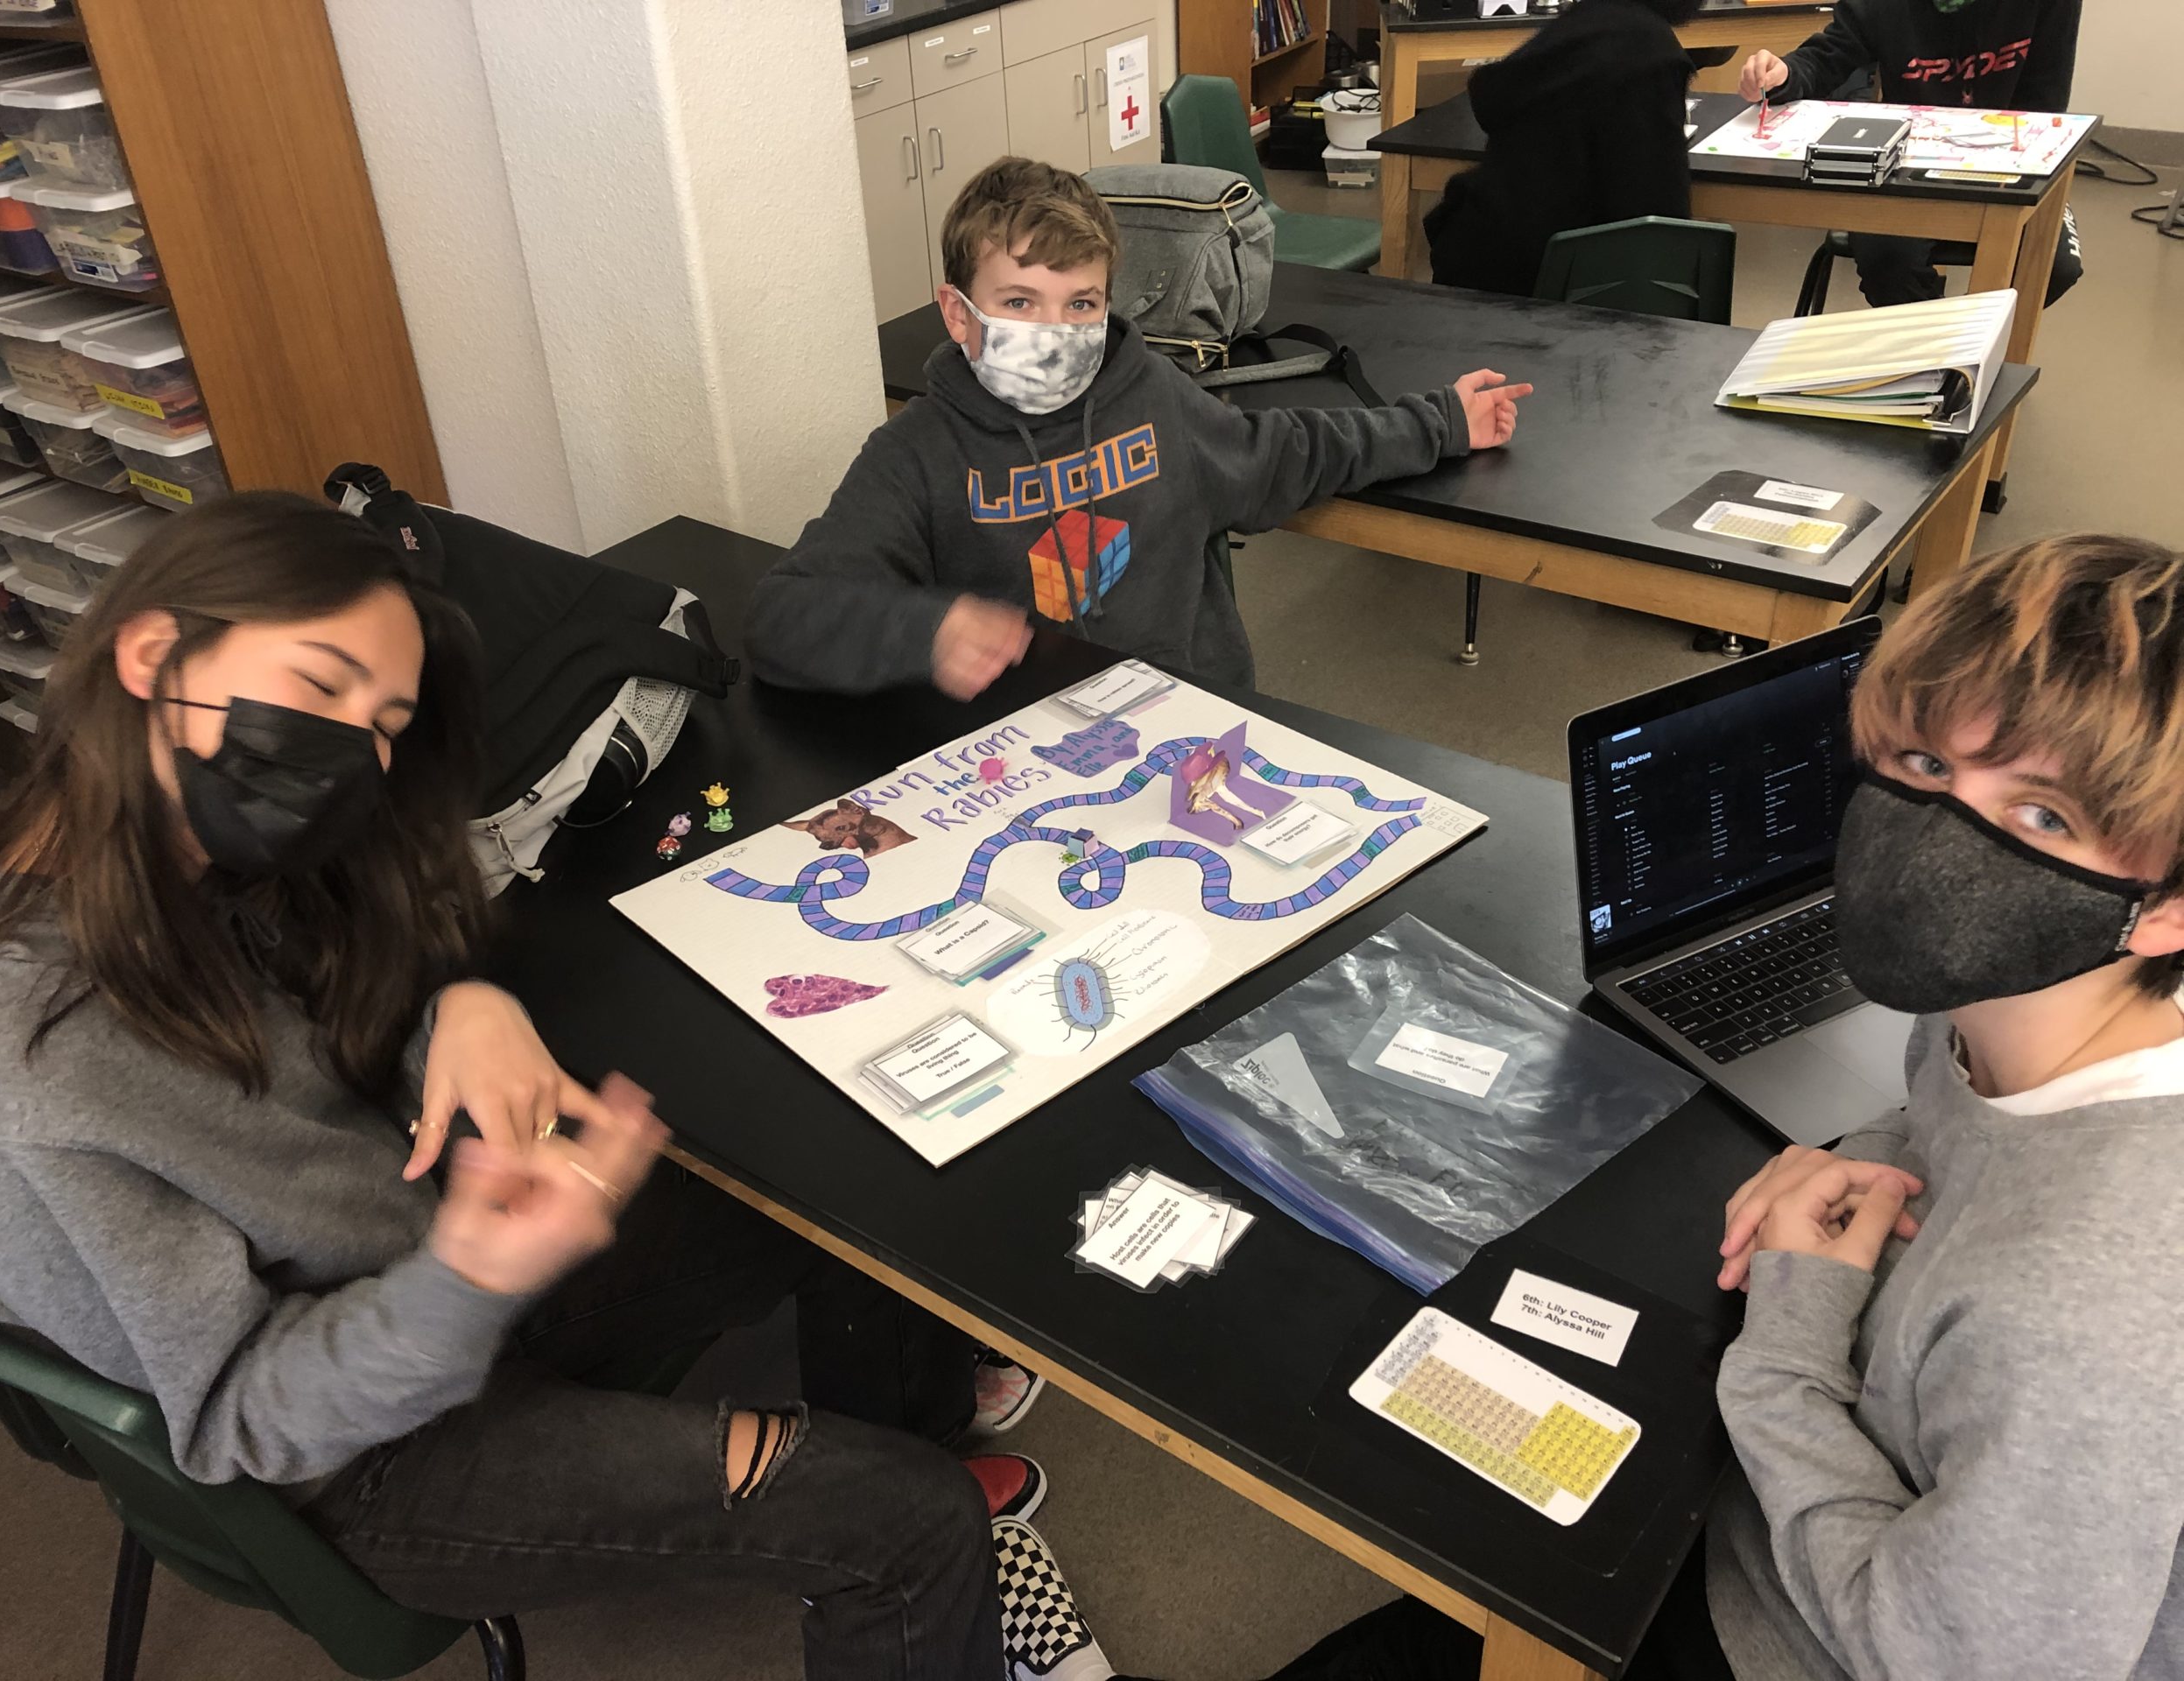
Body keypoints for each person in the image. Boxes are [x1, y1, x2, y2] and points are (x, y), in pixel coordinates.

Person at [0, 493, 1110, 1681]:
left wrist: (464, 1006)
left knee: (842, 1188)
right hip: (361, 1452)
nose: (359, 753)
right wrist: (469, 1280)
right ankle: (921, 1538)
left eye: (386, 721)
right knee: (909, 1524)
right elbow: (248, 1419)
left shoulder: (192, 846)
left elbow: (367, 982)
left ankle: (920, 1447)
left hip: (435, 1262)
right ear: (152, 653)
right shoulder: (18, 1083)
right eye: (323, 682)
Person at [1266, 531, 2184, 1680]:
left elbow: (1944, 1658)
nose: (1935, 846)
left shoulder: (2086, 1316)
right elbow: (1942, 1118)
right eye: (1923, 764)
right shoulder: (2016, 1009)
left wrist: (1784, 1351)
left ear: (2167, 908)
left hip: (1796, 1633)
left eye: (2043, 817)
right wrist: (1860, 1158)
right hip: (1807, 1484)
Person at [746, 157, 1531, 700]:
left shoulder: (1151, 393)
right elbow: (783, 618)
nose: (1055, 331)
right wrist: (927, 631)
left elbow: (1285, 453)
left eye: (1081, 304)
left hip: (1186, 728)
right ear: (958, 314)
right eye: (1019, 302)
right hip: (1016, 752)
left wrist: (1441, 423)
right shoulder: (916, 453)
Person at [1738, 0, 2085, 306]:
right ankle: (1947, 351)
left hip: (2012, 163)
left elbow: (2046, 104)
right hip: (1907, 169)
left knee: (2053, 268)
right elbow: (1829, 55)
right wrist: (1784, 75)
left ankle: (1965, 344)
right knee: (1887, 262)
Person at [1423, 0, 1703, 299]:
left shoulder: (1585, 23)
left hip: (1481, 258)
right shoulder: (1649, 53)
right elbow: (1658, 221)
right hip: (1553, 286)